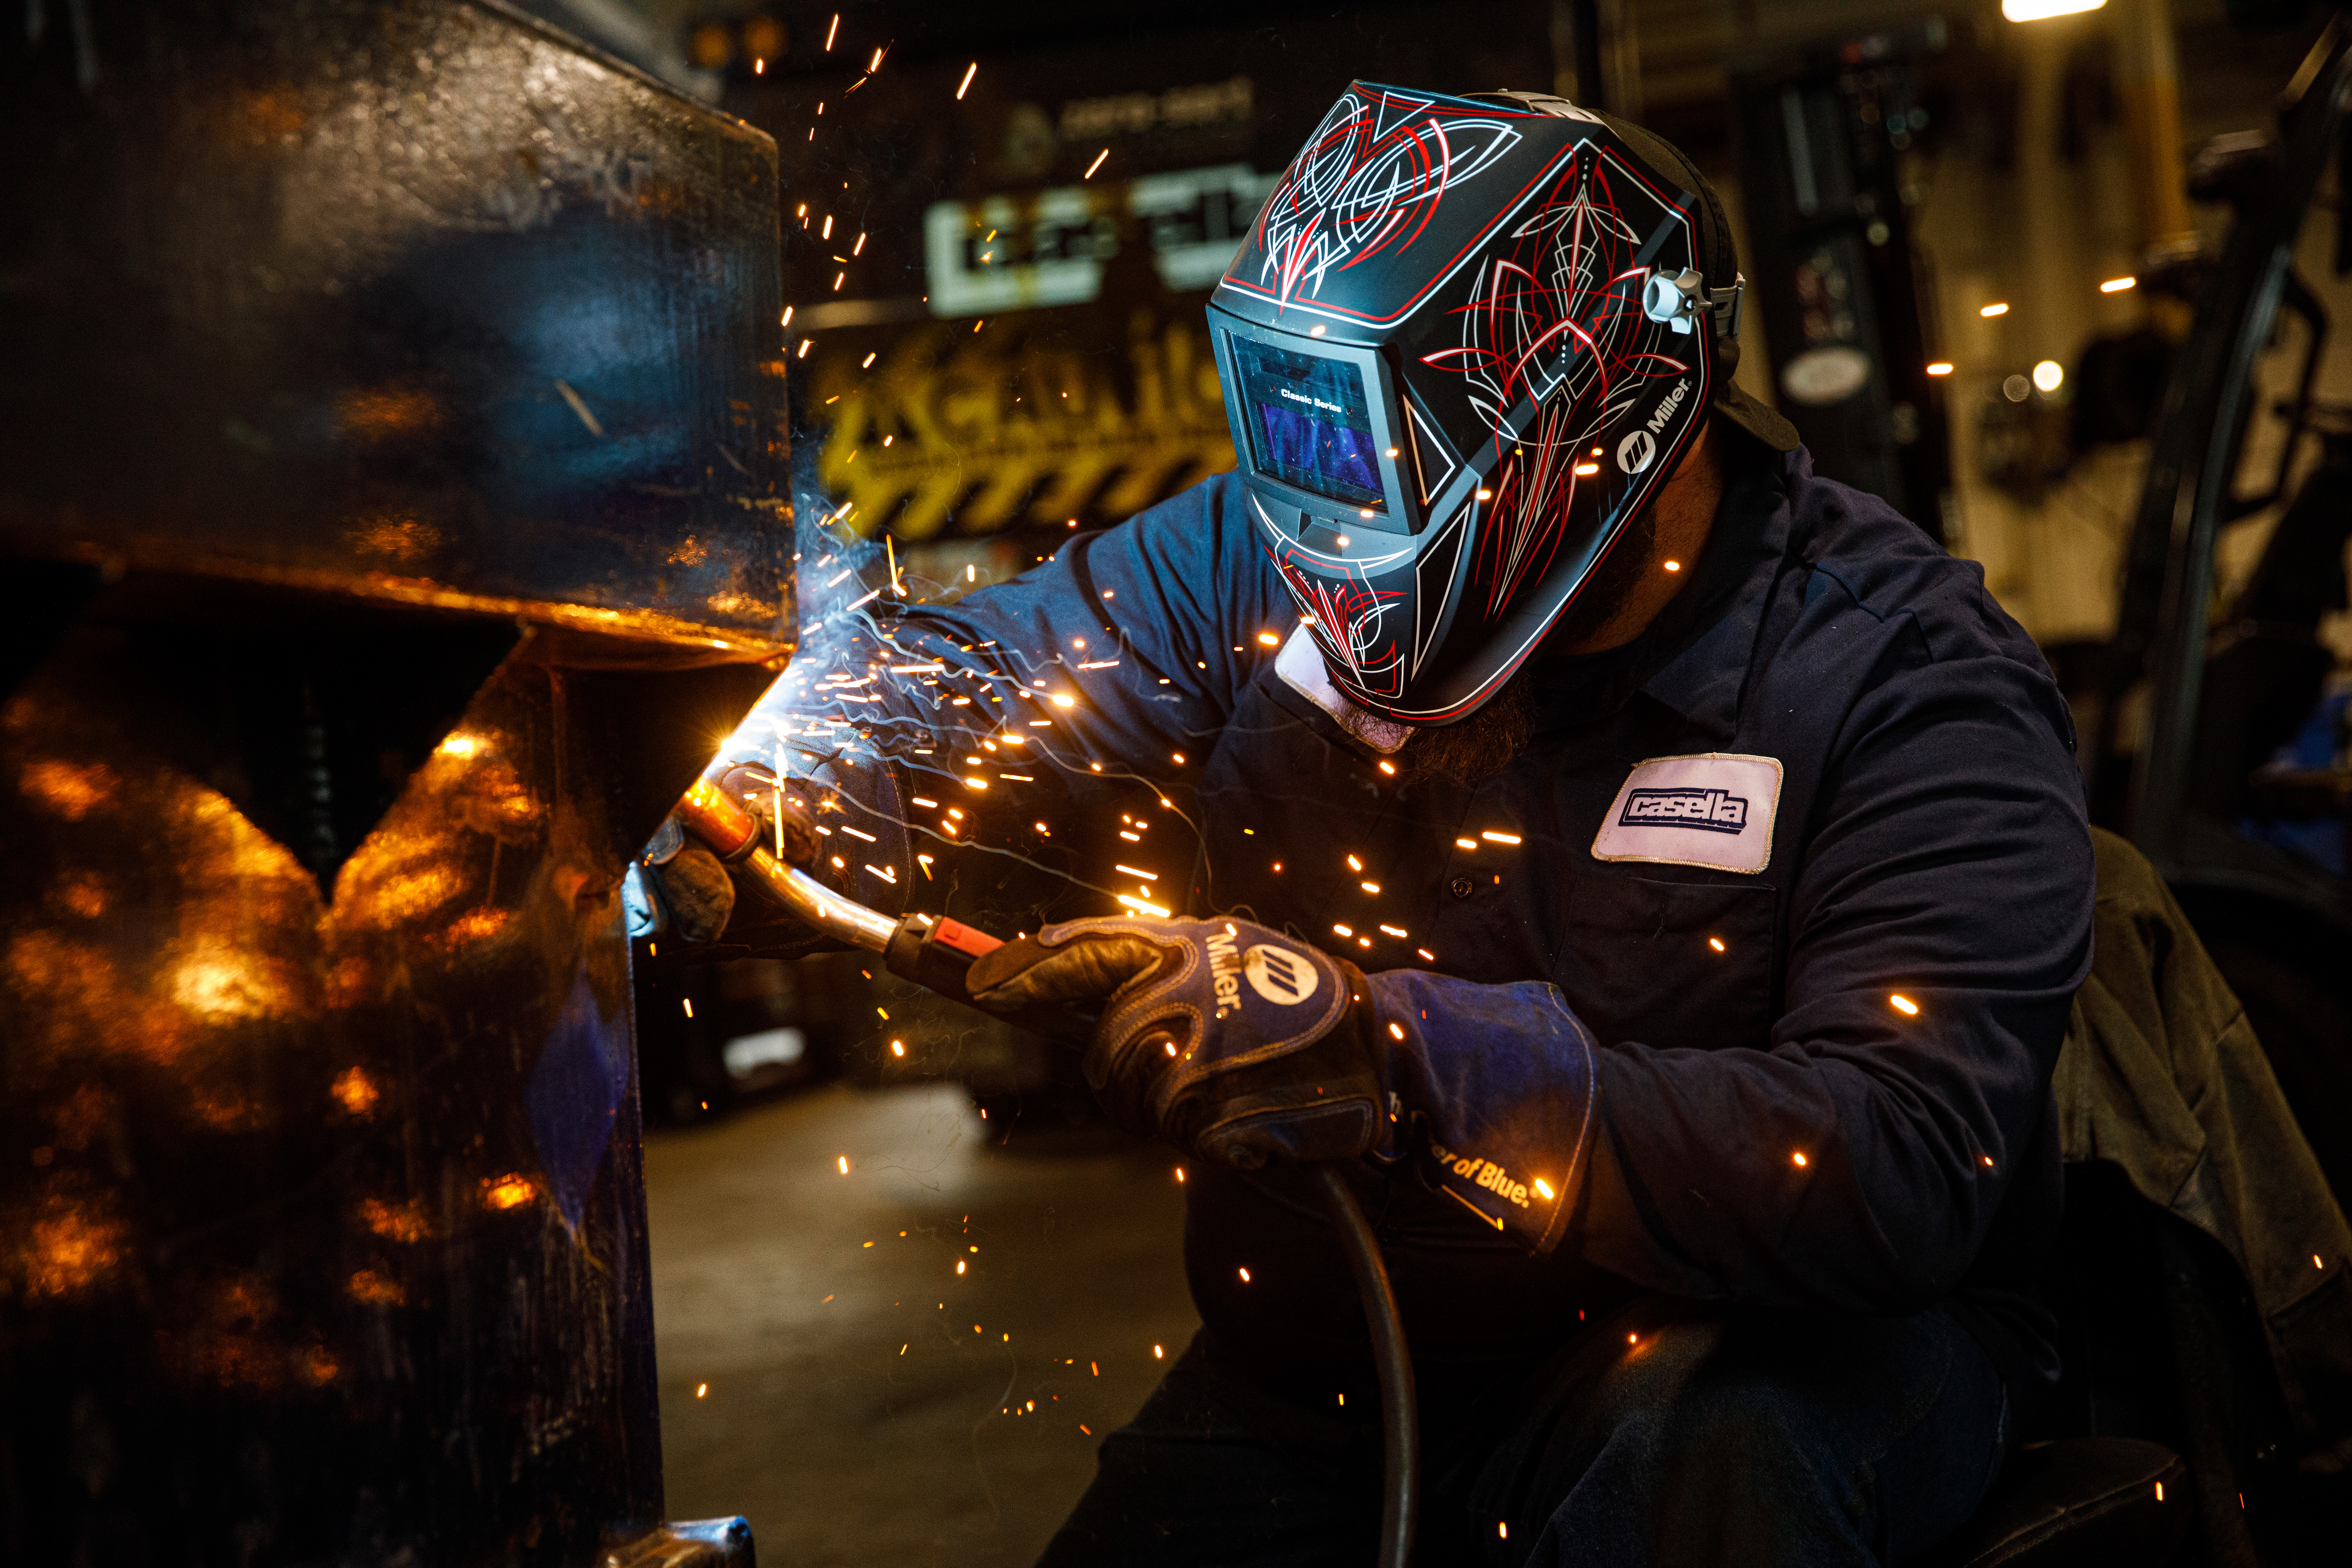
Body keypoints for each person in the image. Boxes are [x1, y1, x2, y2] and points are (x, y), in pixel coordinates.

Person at [643, 84, 2094, 1567]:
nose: (1326, 527)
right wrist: (798, 778)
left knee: (1694, 1473)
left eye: (1373, 443)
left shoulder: (1903, 675)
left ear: (1606, 404)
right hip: (1351, 1359)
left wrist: (1407, 1064)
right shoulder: (1257, 548)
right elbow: (1002, 677)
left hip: (1781, 1348)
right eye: (1298, 428)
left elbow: (1912, 1161)